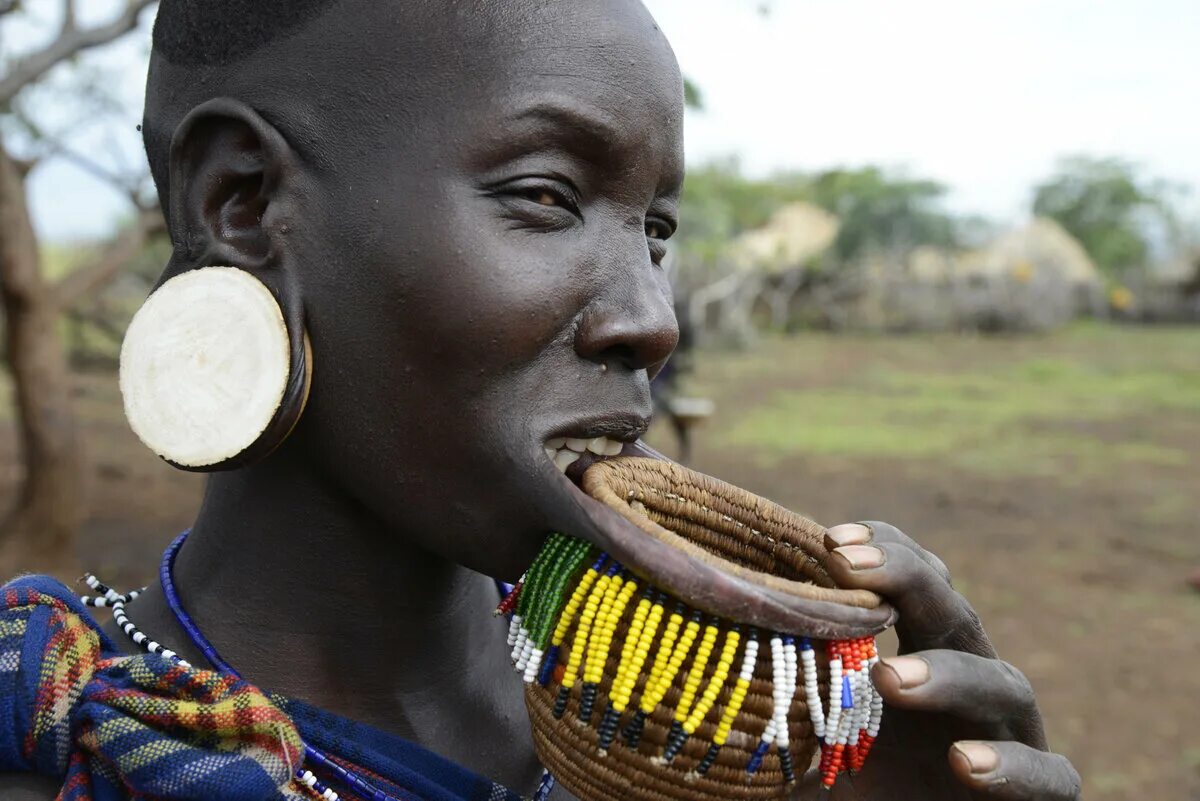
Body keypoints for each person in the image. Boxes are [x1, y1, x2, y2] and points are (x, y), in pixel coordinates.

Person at [0, 1, 1081, 799]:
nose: (651, 317)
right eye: (546, 196)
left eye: (654, 228)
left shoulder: (718, 739)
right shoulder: (50, 745)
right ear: (243, 202)